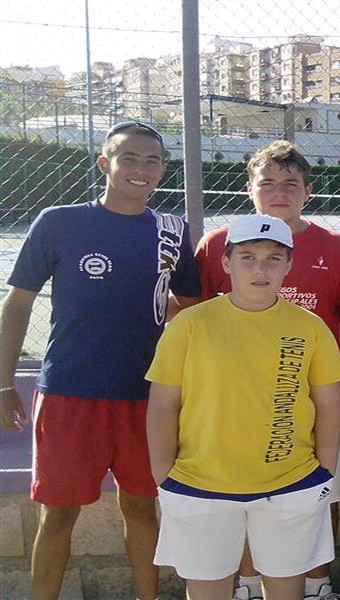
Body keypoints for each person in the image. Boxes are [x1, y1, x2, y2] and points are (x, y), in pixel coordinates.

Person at [0, 121, 201, 600]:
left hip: (146, 398)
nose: (141, 169)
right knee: (57, 516)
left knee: (142, 508)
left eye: (152, 161)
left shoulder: (173, 231)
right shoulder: (58, 222)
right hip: (70, 395)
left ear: (162, 170)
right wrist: (4, 384)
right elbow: (18, 303)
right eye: (129, 157)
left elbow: (193, 309)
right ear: (104, 163)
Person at [195, 140, 340, 600]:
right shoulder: (217, 245)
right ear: (249, 188)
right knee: (247, 497)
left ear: (308, 191)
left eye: (290, 183)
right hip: (240, 403)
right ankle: (249, 587)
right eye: (267, 182)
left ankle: (317, 586)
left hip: (319, 402)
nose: (279, 192)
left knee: (320, 494)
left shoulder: (337, 248)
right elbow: (193, 324)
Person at [146, 214, 340, 600]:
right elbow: (163, 403)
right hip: (199, 484)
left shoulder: (310, 327)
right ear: (226, 263)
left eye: (273, 259)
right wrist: (163, 475)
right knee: (207, 587)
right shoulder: (190, 324)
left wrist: (324, 473)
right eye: (247, 258)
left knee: (285, 586)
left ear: (289, 265)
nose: (260, 270)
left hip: (291, 483)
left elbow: (328, 404)